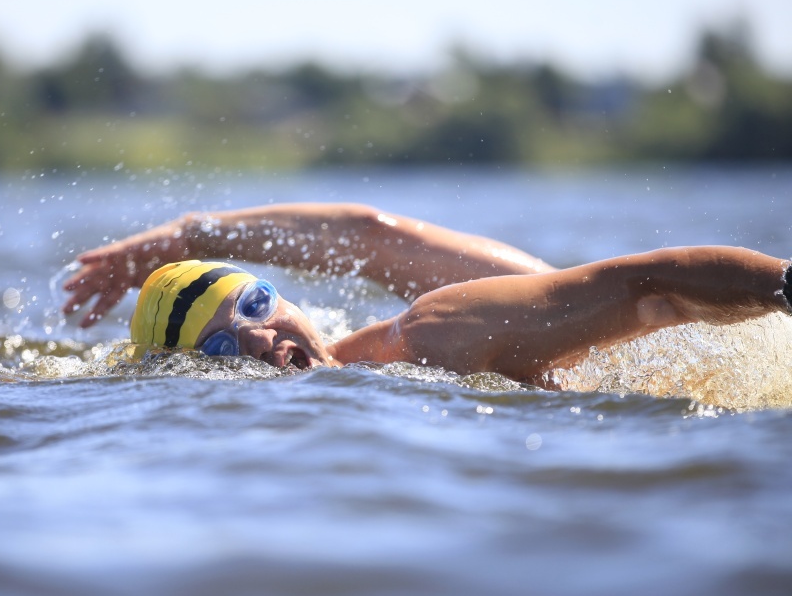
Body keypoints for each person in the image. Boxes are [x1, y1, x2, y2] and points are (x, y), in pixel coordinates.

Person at [61, 203, 791, 384]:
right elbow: (368, 235)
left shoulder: (435, 332)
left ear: (283, 298)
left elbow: (651, 287)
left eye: (253, 306)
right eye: (220, 346)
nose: (254, 338)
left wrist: (194, 232)